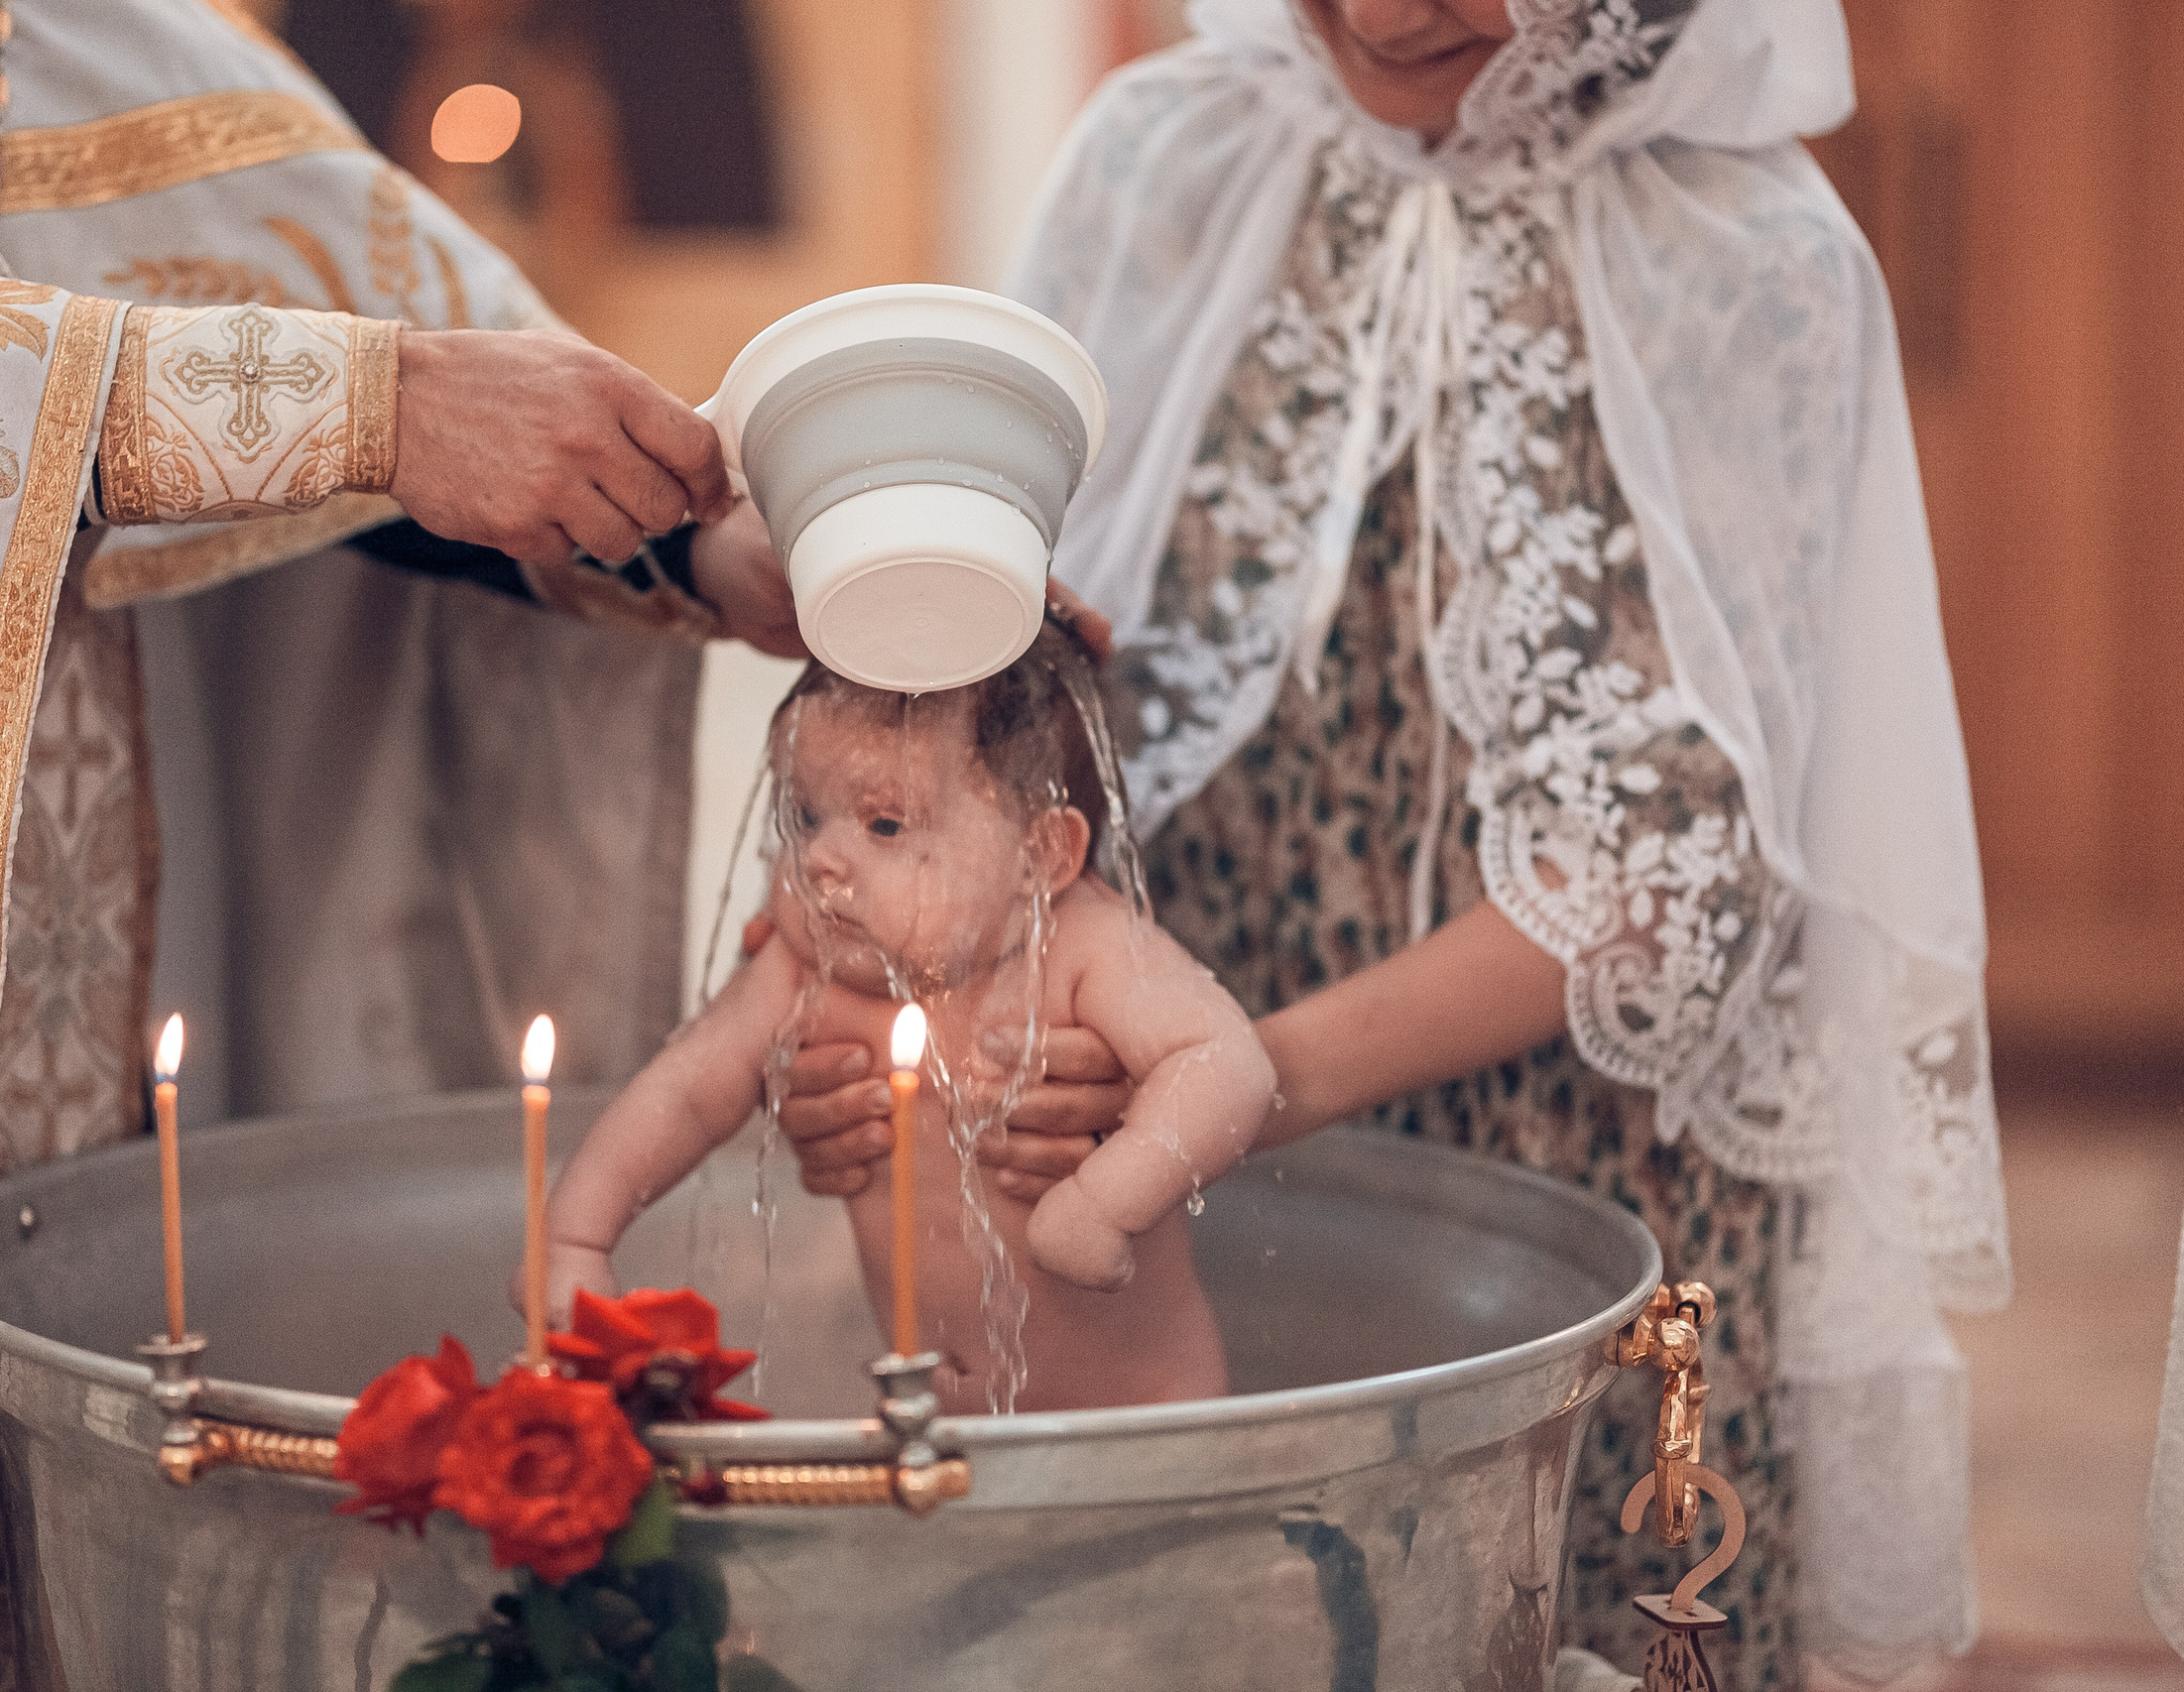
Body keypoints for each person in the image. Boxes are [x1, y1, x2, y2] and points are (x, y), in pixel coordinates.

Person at [771, 0, 2011, 1685]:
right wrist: (882, 1028)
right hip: (1136, 1183)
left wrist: (1233, 1083)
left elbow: (1660, 876)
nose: (1390, 4)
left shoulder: (1748, 259)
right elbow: (978, 718)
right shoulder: (1165, 161)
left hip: (1567, 1178)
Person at [0, 2, 800, 1684]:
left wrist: (691, 544)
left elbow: (364, 294)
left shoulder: (39, 19)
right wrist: (382, 404)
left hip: (85, 1024)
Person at [533, 625, 1274, 1414]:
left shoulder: (1087, 947)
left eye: (884, 825)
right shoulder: (806, 963)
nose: (821, 861)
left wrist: (1104, 1204)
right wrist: (575, 1239)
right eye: (807, 816)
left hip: (1146, 1418)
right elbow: (684, 1091)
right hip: (933, 1420)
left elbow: (1226, 1060)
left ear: (1041, 858)